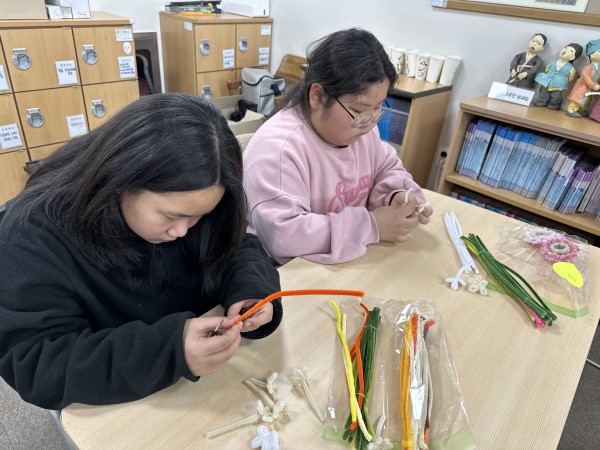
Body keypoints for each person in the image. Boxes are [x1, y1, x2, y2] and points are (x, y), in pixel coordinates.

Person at [0, 94, 282, 410]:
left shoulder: (200, 198)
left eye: (199, 216)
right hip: (120, 398)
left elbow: (237, 244)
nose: (182, 231)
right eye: (171, 216)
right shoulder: (31, 235)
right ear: (120, 179)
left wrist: (252, 290)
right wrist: (167, 351)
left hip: (207, 382)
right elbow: (39, 366)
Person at [243, 28, 433, 266]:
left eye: (377, 108)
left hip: (346, 264)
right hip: (288, 274)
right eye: (359, 110)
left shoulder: (362, 130)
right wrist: (372, 226)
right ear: (318, 96)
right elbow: (284, 236)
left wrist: (395, 195)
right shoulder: (278, 150)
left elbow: (386, 166)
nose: (369, 123)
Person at [534, 42, 583, 109]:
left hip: (559, 84)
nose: (566, 50)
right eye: (566, 48)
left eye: (571, 51)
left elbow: (570, 77)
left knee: (556, 95)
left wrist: (563, 80)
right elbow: (547, 70)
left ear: (573, 57)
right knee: (543, 91)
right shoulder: (553, 63)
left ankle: (554, 104)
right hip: (547, 81)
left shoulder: (571, 68)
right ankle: (541, 101)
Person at [566, 39, 600, 118]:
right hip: (582, 86)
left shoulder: (598, 68)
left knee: (587, 99)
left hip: (590, 88)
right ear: (591, 55)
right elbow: (586, 78)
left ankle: (580, 109)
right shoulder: (587, 68)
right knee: (578, 98)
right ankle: (571, 109)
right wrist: (593, 85)